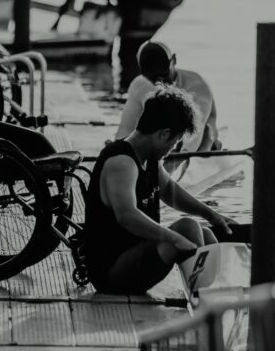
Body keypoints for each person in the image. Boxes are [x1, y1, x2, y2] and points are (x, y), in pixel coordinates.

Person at [84, 87, 236, 296]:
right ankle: (203, 298)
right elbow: (126, 215)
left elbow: (170, 190)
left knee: (207, 235)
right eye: (175, 142)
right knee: (187, 228)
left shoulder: (148, 158)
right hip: (111, 272)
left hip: (134, 256)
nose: (173, 149)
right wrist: (174, 238)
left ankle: (215, 292)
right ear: (163, 134)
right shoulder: (121, 162)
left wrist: (211, 215)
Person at [114, 40, 221, 163]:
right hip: (164, 139)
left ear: (174, 60)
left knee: (207, 131)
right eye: (152, 77)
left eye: (164, 74)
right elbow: (126, 127)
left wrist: (178, 159)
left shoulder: (197, 84)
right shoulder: (139, 84)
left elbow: (196, 133)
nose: (159, 81)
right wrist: (117, 149)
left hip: (201, 140)